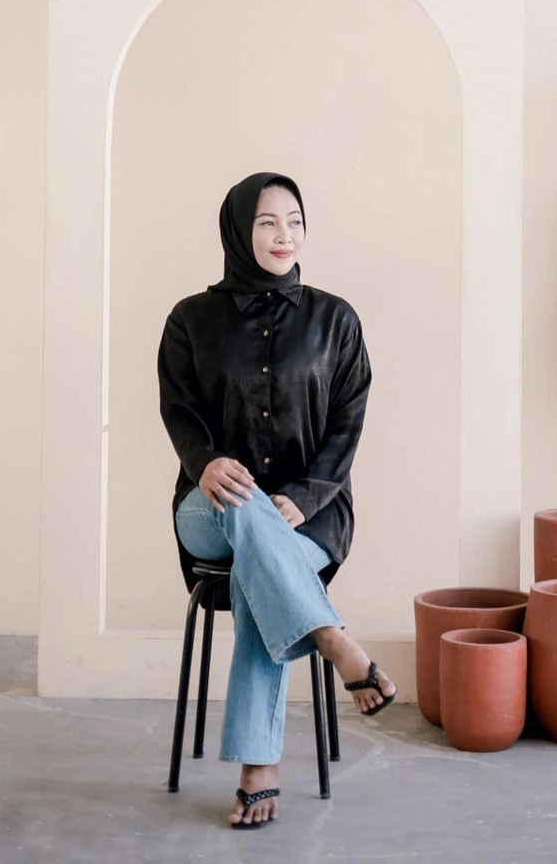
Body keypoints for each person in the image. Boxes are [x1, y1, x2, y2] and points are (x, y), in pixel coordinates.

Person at [158, 172, 396, 830]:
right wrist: (206, 464)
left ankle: (259, 768)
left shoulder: (336, 320)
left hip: (312, 519)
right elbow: (179, 412)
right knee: (242, 499)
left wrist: (306, 496)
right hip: (209, 507)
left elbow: (347, 426)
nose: (283, 235)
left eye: (294, 221)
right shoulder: (190, 320)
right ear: (239, 231)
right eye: (267, 222)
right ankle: (331, 638)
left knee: (261, 571)